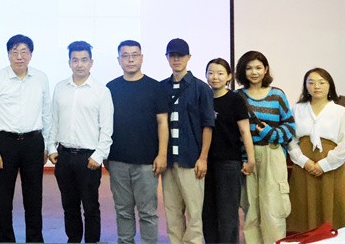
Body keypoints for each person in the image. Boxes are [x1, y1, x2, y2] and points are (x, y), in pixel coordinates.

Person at [0, 34, 51, 243]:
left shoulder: (41, 78)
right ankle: (6, 240)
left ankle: (35, 240)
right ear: (8, 54)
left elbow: (47, 113)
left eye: (24, 52)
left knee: (34, 198)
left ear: (31, 54)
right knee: (3, 199)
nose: (19, 56)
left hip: (33, 142)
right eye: (15, 52)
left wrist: (47, 146)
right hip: (5, 144)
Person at [48, 41, 113, 243]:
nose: (79, 64)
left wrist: (98, 156)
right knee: (69, 206)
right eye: (75, 60)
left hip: (88, 158)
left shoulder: (101, 91)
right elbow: (53, 121)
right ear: (69, 62)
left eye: (84, 60)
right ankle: (73, 240)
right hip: (64, 156)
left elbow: (107, 128)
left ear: (91, 62)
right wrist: (51, 148)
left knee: (90, 207)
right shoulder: (60, 88)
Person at [106, 40, 168, 244]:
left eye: (134, 55)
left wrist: (162, 154)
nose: (130, 59)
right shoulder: (111, 88)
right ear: (118, 60)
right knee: (123, 210)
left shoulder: (155, 87)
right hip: (118, 160)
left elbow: (162, 123)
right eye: (125, 55)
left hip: (147, 162)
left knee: (148, 212)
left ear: (142, 58)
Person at [159, 38, 215, 244]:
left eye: (180, 55)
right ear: (167, 57)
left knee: (194, 213)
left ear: (189, 57)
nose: (176, 59)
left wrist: (203, 158)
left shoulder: (201, 88)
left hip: (191, 160)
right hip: (169, 162)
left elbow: (208, 125)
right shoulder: (161, 88)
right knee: (172, 212)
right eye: (172, 55)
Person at [286, 68, 345, 232]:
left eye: (321, 82)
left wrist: (324, 165)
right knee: (303, 206)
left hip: (331, 166)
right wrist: (304, 161)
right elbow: (291, 140)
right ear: (305, 86)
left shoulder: (340, 111)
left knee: (333, 207)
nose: (316, 86)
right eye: (311, 82)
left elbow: (344, 144)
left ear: (329, 85)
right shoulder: (297, 109)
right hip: (304, 165)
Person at [236, 50, 295, 244]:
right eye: (249, 68)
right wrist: (244, 158)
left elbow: (290, 126)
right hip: (248, 156)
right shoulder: (237, 96)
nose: (254, 72)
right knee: (251, 207)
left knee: (274, 207)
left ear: (266, 69)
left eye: (258, 68)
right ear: (242, 71)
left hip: (272, 152)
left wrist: (271, 133)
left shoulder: (277, 95)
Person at [202, 58, 255, 244]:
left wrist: (250, 159)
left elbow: (245, 131)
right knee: (207, 212)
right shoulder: (203, 98)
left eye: (220, 73)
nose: (215, 77)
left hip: (229, 163)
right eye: (210, 73)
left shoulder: (235, 99)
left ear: (229, 77)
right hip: (205, 163)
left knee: (228, 213)